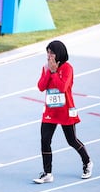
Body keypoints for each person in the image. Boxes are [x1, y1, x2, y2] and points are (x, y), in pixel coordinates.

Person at [33, 40, 93, 184]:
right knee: (45, 140)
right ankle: (47, 173)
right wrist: (49, 71)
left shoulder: (67, 68)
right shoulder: (46, 67)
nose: (48, 56)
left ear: (58, 53)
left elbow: (62, 87)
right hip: (50, 111)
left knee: (71, 140)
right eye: (47, 53)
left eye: (51, 53)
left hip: (66, 110)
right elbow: (41, 86)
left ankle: (87, 162)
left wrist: (54, 71)